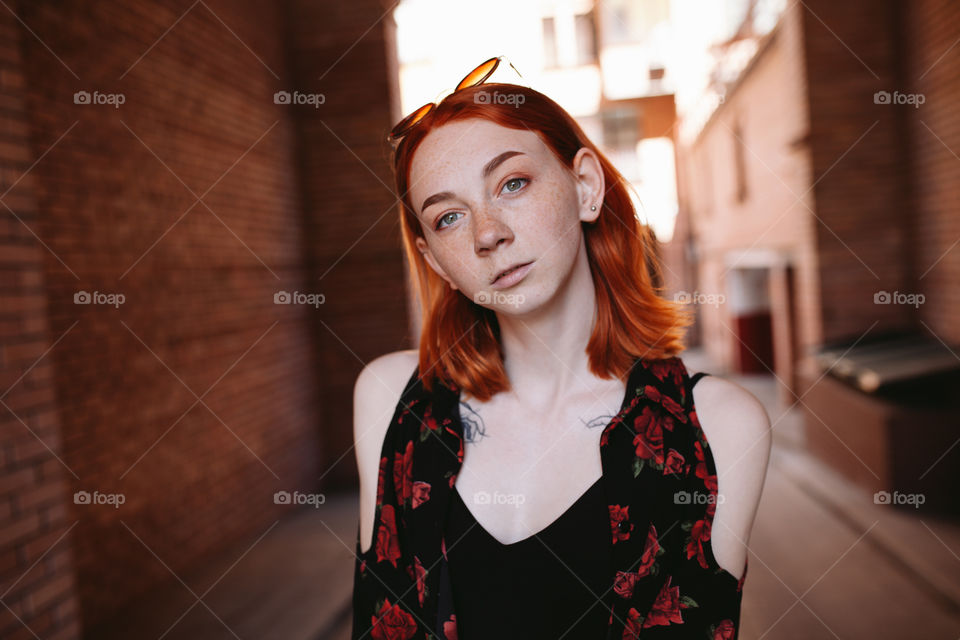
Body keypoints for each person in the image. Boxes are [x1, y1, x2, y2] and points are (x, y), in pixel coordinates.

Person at [351, 57, 771, 640]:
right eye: (448, 217)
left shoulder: (716, 427)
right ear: (433, 262)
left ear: (585, 187)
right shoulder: (389, 399)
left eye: (512, 184)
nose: (487, 233)